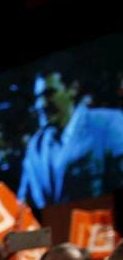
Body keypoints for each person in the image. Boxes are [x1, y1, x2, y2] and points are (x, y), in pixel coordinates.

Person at [17, 72, 123, 209]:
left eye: (49, 93)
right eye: (38, 97)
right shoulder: (35, 147)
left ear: (72, 90)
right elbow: (23, 206)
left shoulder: (110, 124)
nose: (41, 104)